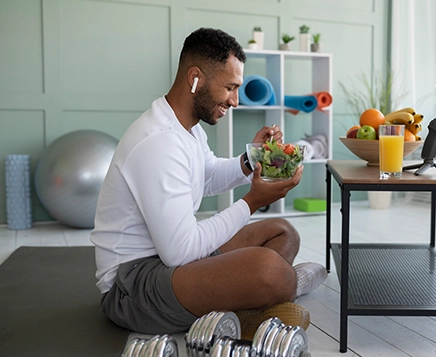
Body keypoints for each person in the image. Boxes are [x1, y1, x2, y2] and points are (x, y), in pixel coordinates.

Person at [90, 27, 327, 337]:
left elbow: (206, 176)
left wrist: (253, 158)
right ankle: (285, 287)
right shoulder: (158, 142)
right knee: (271, 271)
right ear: (195, 78)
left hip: (170, 263)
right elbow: (181, 252)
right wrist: (253, 201)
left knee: (283, 233)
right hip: (133, 286)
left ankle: (258, 301)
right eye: (230, 87)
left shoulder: (187, 128)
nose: (236, 101)